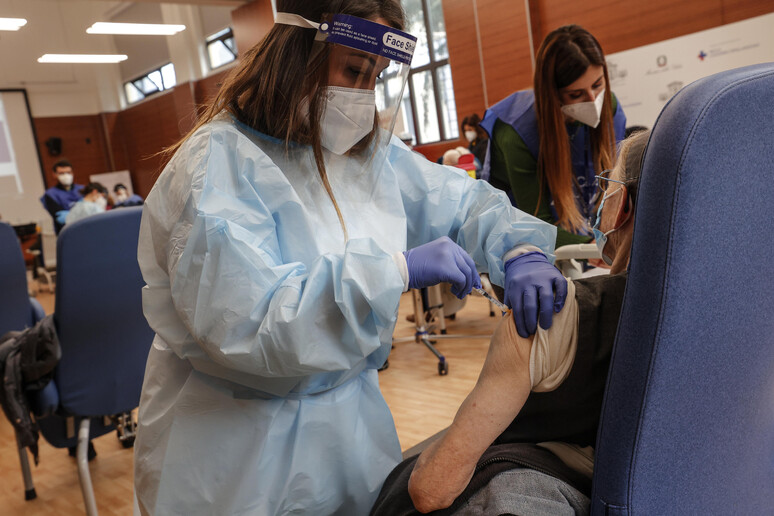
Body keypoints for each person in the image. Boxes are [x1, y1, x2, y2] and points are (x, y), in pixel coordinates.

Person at [133, 1, 567, 514]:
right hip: (235, 455)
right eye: (355, 71)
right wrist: (395, 271)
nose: (362, 95)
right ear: (297, 51)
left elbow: (459, 200)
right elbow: (253, 324)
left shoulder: (365, 152)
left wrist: (518, 248)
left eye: (376, 77)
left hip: (350, 434)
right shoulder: (216, 165)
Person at [370, 130, 650, 515]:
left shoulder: (550, 323)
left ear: (624, 207)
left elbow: (432, 490)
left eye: (609, 183)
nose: (604, 195)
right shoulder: (741, 331)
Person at [480, 25, 627, 249]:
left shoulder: (610, 107)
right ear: (553, 95)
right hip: (520, 240)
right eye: (576, 94)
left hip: (581, 232)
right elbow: (535, 223)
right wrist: (592, 249)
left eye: (598, 85)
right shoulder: (516, 132)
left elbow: (612, 192)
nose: (592, 100)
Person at [40, 159, 83, 235]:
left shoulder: (82, 189)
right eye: (61, 173)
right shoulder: (50, 194)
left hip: (85, 228)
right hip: (66, 233)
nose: (66, 176)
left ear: (72, 173)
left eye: (68, 172)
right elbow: (60, 217)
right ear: (54, 174)